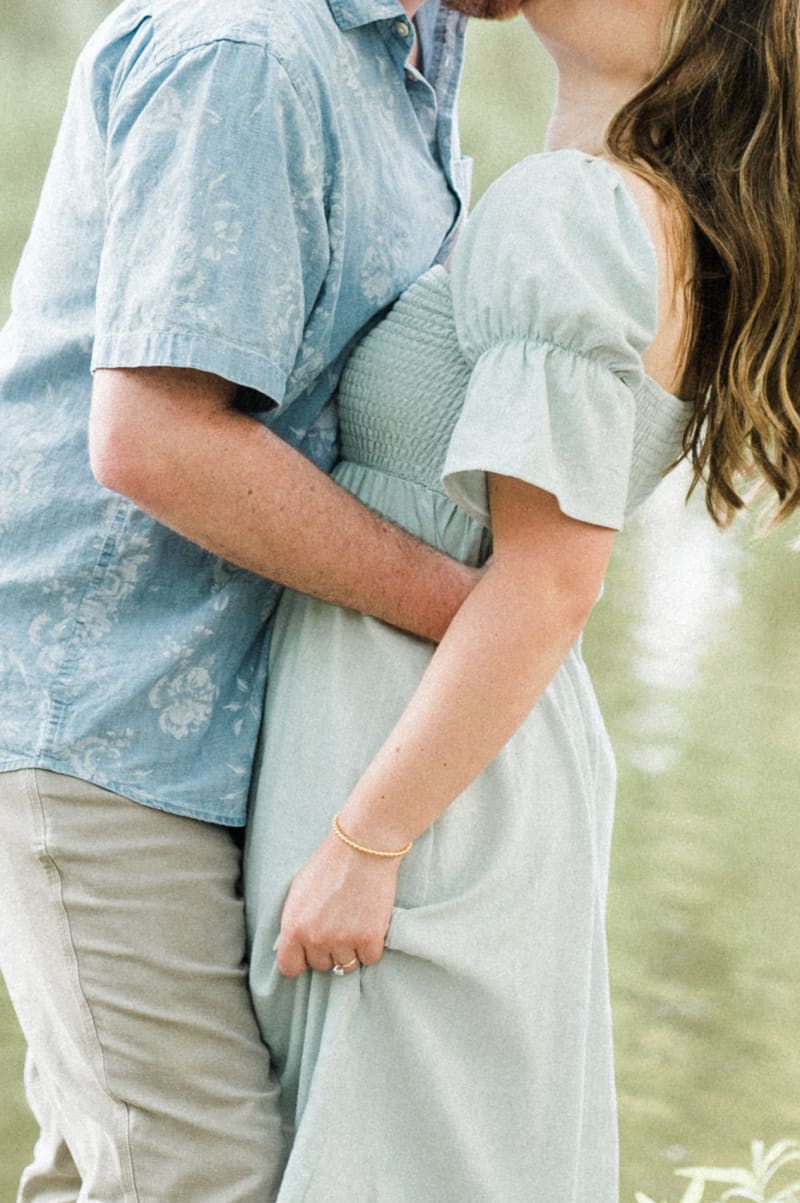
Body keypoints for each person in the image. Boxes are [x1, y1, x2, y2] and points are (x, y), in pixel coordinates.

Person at [244, 0, 800, 1199]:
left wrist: (365, 843)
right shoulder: (618, 209)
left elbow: (549, 583)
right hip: (440, 761)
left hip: (421, 797)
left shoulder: (578, 212)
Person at [0, 1, 528, 1198]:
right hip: (106, 720)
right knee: (205, 1177)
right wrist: (470, 617)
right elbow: (156, 439)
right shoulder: (247, 52)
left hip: (237, 723)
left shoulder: (417, 42)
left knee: (115, 1166)